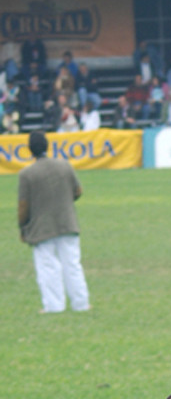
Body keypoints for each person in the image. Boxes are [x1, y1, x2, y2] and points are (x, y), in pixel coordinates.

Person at [17, 131, 91, 314]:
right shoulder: (65, 166)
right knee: (72, 264)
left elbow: (23, 205)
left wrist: (22, 226)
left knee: (47, 267)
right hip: (67, 221)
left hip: (42, 227)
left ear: (29, 149)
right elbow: (78, 191)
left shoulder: (27, 174)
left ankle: (54, 306)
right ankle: (81, 304)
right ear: (48, 145)